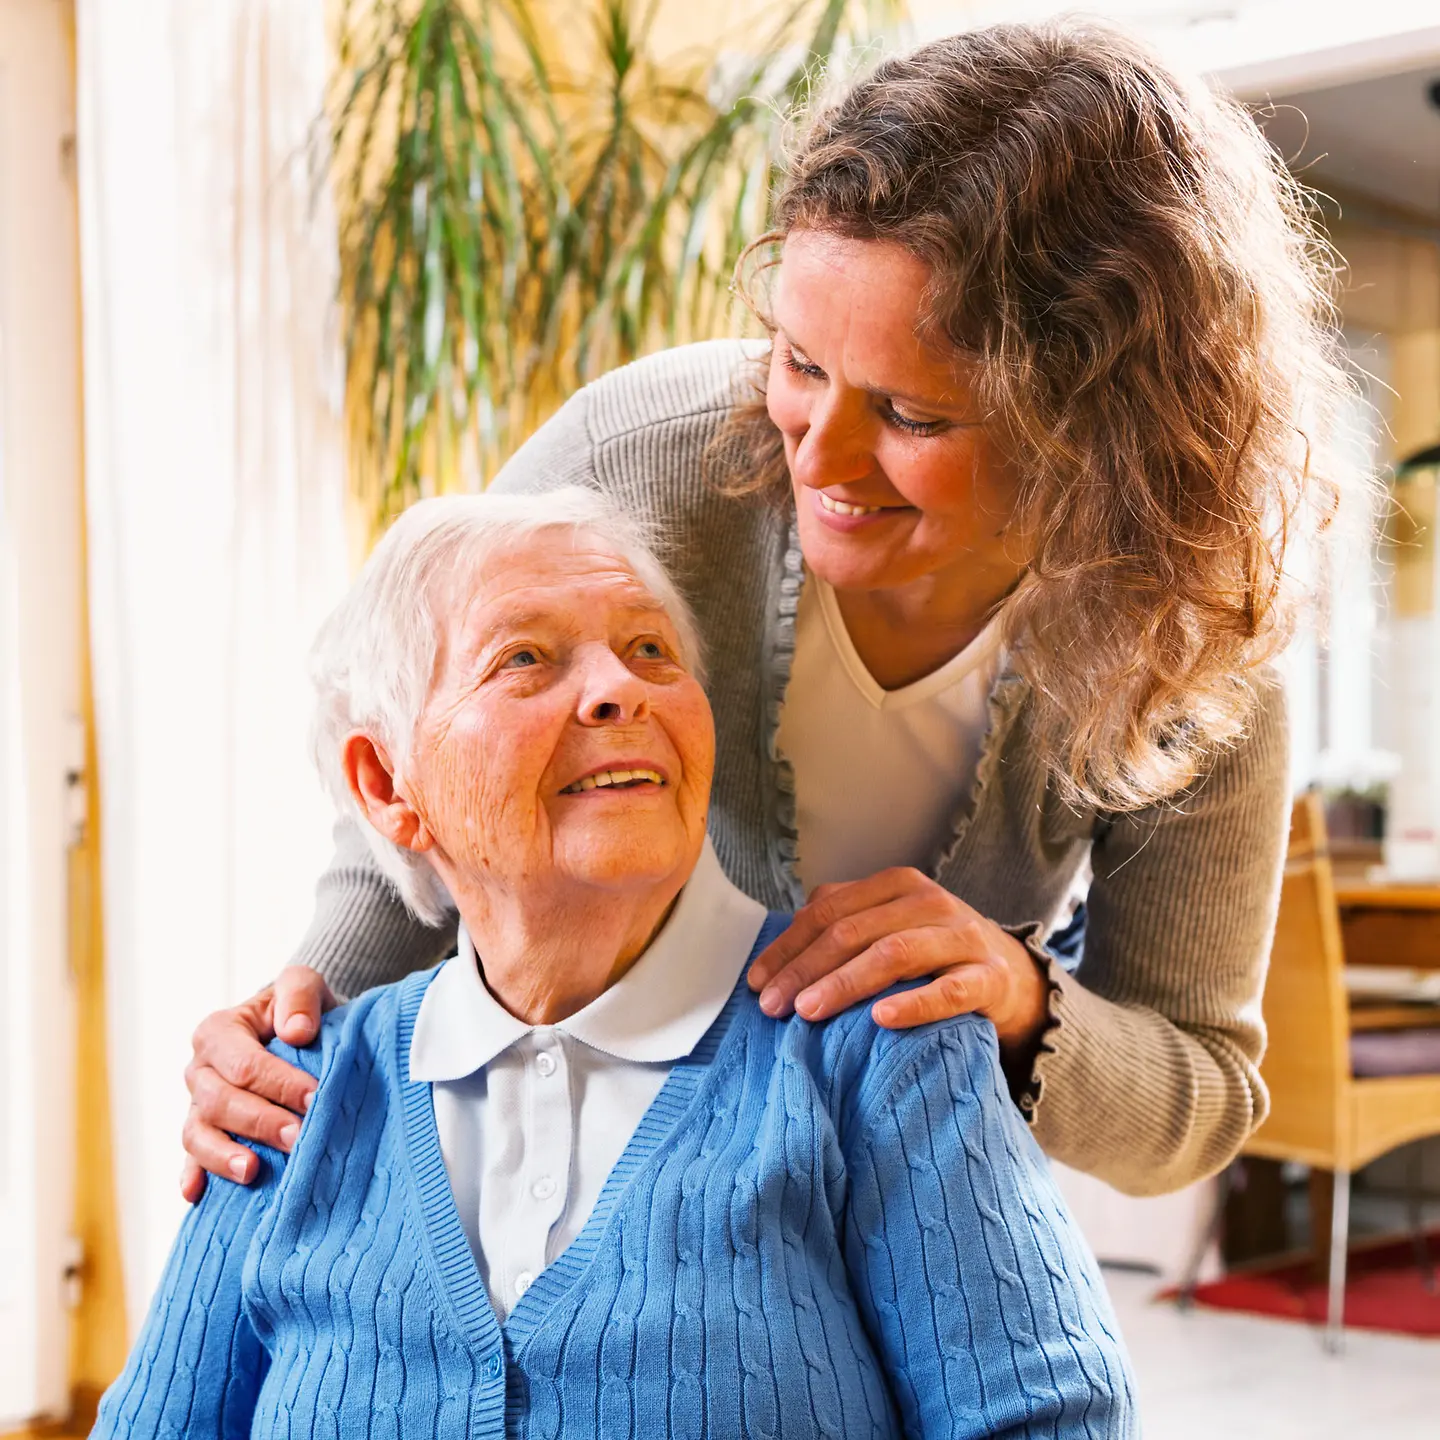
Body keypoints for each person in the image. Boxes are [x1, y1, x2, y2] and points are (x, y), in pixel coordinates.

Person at [182, 20, 1358, 1202]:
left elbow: (1197, 1094)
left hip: (907, 1205)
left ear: (1098, 436)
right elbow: (430, 779)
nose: (822, 459)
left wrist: (1019, 996)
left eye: (911, 414)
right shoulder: (636, 464)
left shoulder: (1189, 636)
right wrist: (297, 1029)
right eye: (799, 361)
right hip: (598, 1163)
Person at [97, 492, 1136, 1439]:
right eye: (526, 660)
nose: (616, 691)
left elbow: (1056, 1423)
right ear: (386, 784)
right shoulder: (285, 1096)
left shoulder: (874, 1044)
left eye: (649, 651)